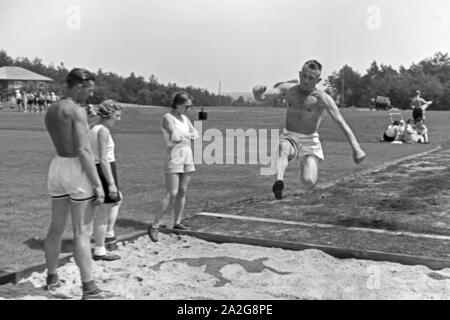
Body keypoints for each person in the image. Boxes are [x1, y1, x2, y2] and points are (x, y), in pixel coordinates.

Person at [44, 67, 113, 300]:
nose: (90, 96)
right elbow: (83, 150)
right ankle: (89, 288)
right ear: (79, 86)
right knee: (82, 232)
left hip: (57, 165)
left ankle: (51, 277)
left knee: (55, 227)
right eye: (89, 90)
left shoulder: (52, 109)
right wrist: (98, 184)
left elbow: (67, 137)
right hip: (76, 168)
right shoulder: (76, 110)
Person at [253, 59, 366, 199]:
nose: (306, 81)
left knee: (308, 181)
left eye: (311, 78)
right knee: (284, 147)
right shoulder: (288, 89)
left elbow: (341, 122)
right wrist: (258, 94)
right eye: (304, 76)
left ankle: (306, 163)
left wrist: (356, 148)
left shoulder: (322, 98)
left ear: (318, 80)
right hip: (290, 136)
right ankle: (279, 182)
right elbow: (264, 97)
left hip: (309, 142)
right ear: (300, 74)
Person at [148, 92, 199, 242]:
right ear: (178, 104)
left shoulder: (185, 118)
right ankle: (154, 225)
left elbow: (195, 134)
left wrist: (187, 136)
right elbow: (175, 136)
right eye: (187, 105)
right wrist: (188, 136)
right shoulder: (167, 118)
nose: (189, 108)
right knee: (172, 192)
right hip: (174, 155)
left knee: (183, 190)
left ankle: (177, 222)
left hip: (187, 154)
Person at [88, 100, 123, 261]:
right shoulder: (103, 131)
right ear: (109, 115)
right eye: (117, 115)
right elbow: (103, 158)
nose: (119, 119)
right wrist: (111, 183)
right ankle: (100, 249)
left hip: (99, 168)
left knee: (117, 199)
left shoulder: (93, 128)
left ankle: (108, 234)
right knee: (103, 212)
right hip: (104, 169)